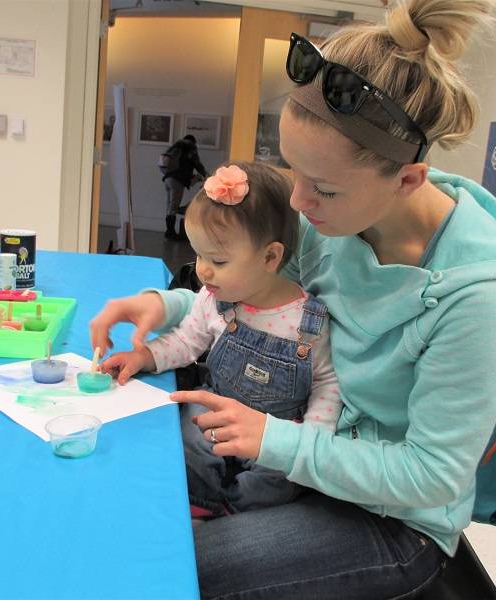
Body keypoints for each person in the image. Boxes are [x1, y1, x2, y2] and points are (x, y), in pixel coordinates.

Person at [90, 1, 496, 597]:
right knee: (132, 491)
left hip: (389, 518)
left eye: (322, 187)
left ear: (407, 180)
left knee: (168, 564)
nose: (298, 203)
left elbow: (431, 475)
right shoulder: (337, 226)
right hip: (300, 464)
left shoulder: (475, 301)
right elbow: (257, 289)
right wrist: (164, 305)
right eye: (292, 170)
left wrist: (276, 441)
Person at [101, 162, 342, 515]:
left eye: (217, 259)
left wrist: (312, 437)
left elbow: (326, 383)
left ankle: (233, 513)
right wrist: (144, 357)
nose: (202, 270)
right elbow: (187, 341)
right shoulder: (215, 299)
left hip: (275, 431)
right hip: (215, 408)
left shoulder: (308, 320)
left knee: (280, 480)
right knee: (186, 441)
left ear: (270, 256)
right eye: (198, 254)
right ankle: (201, 505)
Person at [162, 134, 207, 239]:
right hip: (177, 180)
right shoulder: (190, 149)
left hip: (167, 179)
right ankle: (170, 232)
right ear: (193, 142)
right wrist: (205, 174)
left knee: (170, 206)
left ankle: (169, 231)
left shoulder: (176, 147)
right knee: (173, 207)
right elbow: (197, 164)